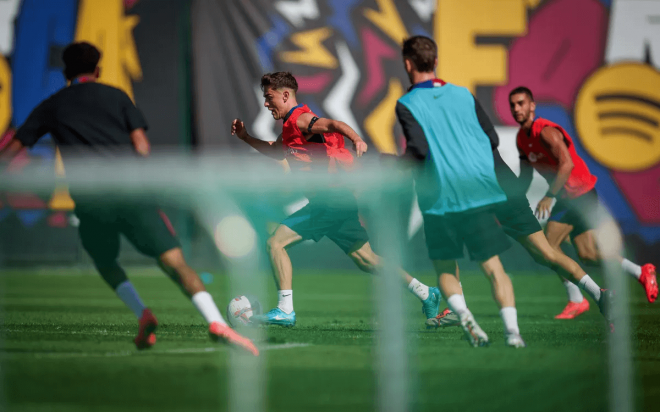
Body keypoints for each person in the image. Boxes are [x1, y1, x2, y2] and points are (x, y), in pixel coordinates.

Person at [0, 42, 258, 356]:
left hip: (92, 200)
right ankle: (217, 322)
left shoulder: (52, 105)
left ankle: (142, 313)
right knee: (175, 263)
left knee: (106, 262)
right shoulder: (116, 96)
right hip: (131, 193)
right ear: (98, 69)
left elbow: (14, 150)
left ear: (66, 72)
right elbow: (142, 147)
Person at [231, 71, 440, 327]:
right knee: (368, 260)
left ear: (285, 95)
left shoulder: (301, 119)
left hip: (329, 202)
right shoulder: (289, 128)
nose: (265, 103)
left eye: (269, 96)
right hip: (337, 202)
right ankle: (426, 293)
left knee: (276, 244)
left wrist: (357, 139)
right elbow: (276, 152)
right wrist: (246, 138)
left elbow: (333, 125)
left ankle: (285, 310)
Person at [395, 35, 524, 347]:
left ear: (408, 64)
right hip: (477, 193)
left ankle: (464, 315)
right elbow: (491, 139)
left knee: (445, 269)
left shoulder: (407, 104)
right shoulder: (464, 95)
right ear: (435, 62)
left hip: (439, 200)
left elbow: (420, 152)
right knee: (494, 268)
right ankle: (513, 334)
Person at [509, 86, 657, 308]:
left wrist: (549, 196)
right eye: (513, 105)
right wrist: (511, 198)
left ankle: (577, 299)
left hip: (579, 193)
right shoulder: (522, 138)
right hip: (569, 196)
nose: (516, 108)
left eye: (521, 103)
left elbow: (567, 164)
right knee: (588, 254)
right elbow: (525, 175)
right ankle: (640, 271)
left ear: (532, 106)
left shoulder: (546, 131)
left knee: (548, 246)